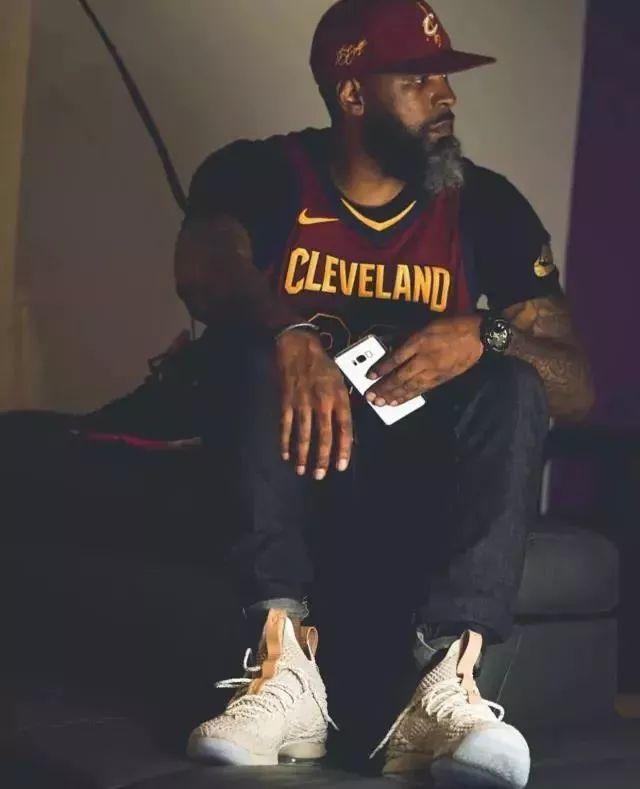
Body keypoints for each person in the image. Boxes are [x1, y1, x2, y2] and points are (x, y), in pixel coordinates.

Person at [3, 1, 594, 786]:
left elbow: (576, 387)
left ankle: (447, 685)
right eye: (418, 80)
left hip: (419, 456)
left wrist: (488, 334)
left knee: (515, 382)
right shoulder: (259, 173)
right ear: (352, 94)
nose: (446, 96)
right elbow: (205, 271)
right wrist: (291, 332)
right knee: (253, 350)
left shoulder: (487, 205)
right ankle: (283, 668)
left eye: (445, 80)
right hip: (287, 445)